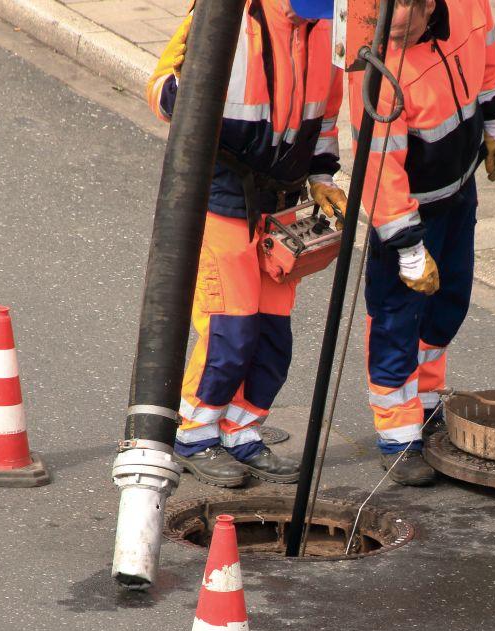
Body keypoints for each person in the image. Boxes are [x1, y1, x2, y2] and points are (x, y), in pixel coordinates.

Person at [147, 0, 347, 486]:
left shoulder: (324, 29)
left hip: (279, 205)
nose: (311, 18)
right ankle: (194, 432)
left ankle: (241, 430)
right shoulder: (228, 22)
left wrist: (322, 175)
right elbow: (161, 95)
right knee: (229, 331)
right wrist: (180, 78)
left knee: (273, 337)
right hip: (221, 199)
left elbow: (325, 118)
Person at [350, 0, 495, 486]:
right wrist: (407, 247)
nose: (393, 34)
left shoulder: (465, 7)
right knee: (398, 319)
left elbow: (488, 60)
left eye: (404, 23)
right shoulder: (375, 61)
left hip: (458, 193)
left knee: (449, 304)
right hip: (408, 211)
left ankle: (423, 402)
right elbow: (379, 167)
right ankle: (398, 435)